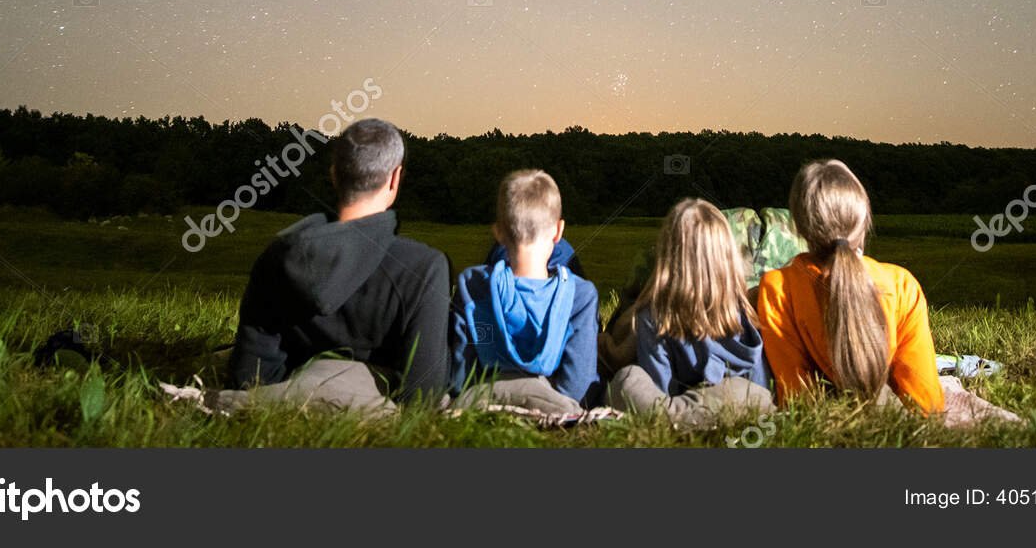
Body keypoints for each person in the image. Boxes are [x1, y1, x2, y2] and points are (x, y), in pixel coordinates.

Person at [217, 118, 450, 414]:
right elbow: (423, 396)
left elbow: (247, 378)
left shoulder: (278, 255)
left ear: (334, 174)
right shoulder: (425, 267)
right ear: (395, 178)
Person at [756, 159, 945, 413]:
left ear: (800, 227)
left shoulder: (777, 287)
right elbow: (926, 403)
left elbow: (796, 397)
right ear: (863, 219)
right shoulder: (902, 284)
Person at [606, 198, 774, 430]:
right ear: (726, 257)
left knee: (627, 380)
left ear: (668, 255)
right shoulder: (741, 306)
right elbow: (759, 378)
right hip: (734, 402)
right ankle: (702, 418)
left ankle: (682, 421)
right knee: (752, 395)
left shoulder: (653, 315)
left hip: (680, 406)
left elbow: (659, 388)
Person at [450, 169, 599, 415]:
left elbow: (460, 373)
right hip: (555, 407)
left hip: (483, 400)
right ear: (558, 232)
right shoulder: (581, 296)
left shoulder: (473, 285)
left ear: (498, 233)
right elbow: (577, 386)